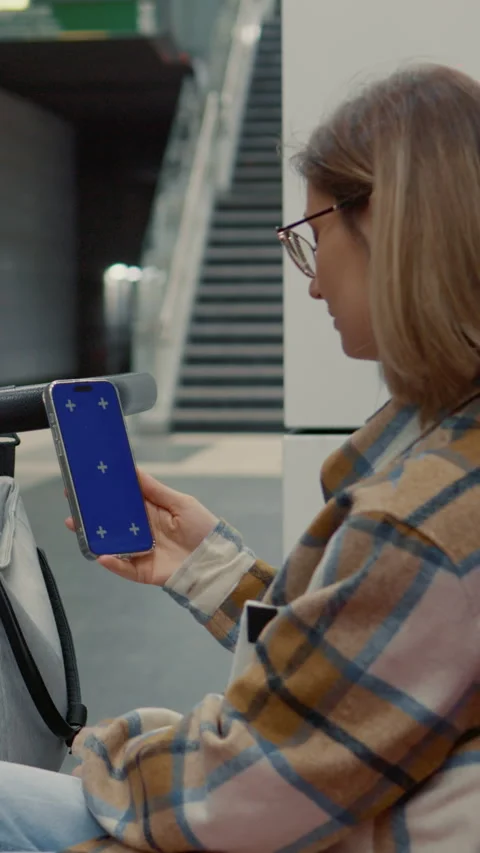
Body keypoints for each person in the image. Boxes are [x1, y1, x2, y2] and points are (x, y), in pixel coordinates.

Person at [1, 61, 480, 853]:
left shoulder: (427, 511)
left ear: (390, 227)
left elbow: (250, 786)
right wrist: (204, 565)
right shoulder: (440, 442)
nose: (314, 282)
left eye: (312, 238)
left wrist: (104, 754)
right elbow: (365, 659)